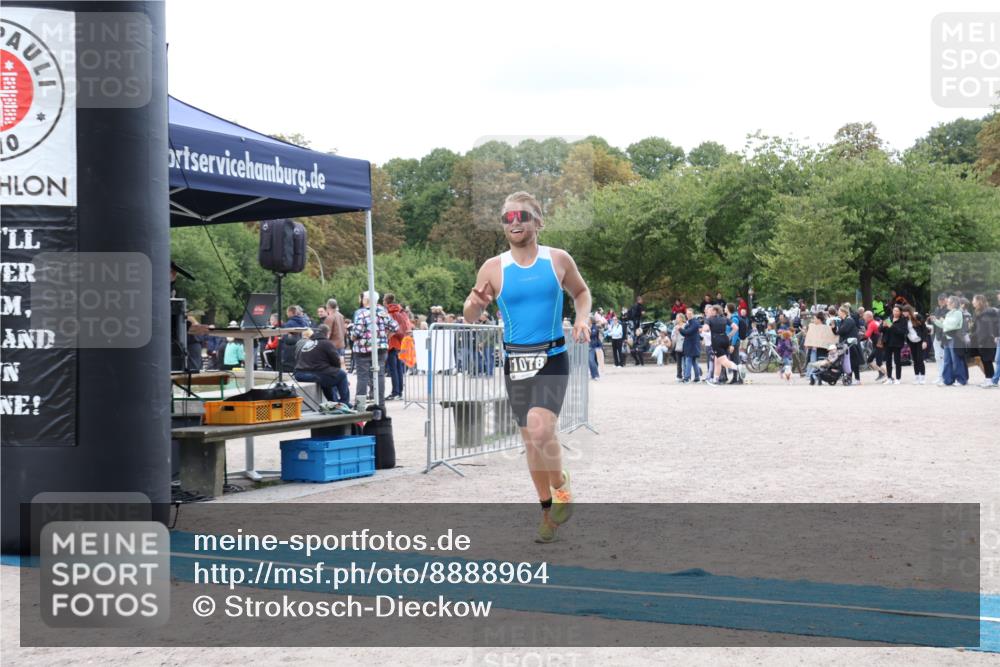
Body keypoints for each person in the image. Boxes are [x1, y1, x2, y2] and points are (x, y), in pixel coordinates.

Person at [463, 191, 591, 544]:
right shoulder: (493, 267)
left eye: (522, 216)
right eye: (507, 217)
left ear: (538, 221)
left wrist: (582, 319)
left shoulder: (557, 260)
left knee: (539, 430)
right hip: (514, 361)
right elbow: (471, 315)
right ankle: (548, 514)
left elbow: (581, 293)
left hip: (551, 356)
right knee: (532, 444)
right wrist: (475, 304)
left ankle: (562, 486)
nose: (514, 222)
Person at [352, 290, 399, 403]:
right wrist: (386, 337)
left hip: (363, 350)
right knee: (380, 375)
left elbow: (357, 332)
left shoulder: (362, 313)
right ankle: (380, 402)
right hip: (381, 349)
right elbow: (395, 327)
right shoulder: (383, 313)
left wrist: (352, 337)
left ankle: (360, 405)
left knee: (362, 376)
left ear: (366, 300)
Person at [293, 324, 350, 404]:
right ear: (328, 333)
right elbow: (336, 361)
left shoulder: (308, 342)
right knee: (341, 375)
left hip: (299, 374)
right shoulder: (326, 343)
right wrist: (335, 370)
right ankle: (345, 403)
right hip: (312, 373)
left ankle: (333, 402)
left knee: (327, 377)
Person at [930, 296, 968, 386]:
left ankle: (961, 380)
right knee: (947, 360)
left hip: (955, 338)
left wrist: (945, 324)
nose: (947, 303)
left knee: (956, 360)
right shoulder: (949, 313)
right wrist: (935, 321)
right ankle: (947, 380)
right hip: (947, 338)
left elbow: (953, 325)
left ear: (953, 303)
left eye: (949, 302)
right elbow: (944, 325)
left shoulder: (958, 313)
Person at [383, 293, 413, 400]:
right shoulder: (401, 312)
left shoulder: (390, 313)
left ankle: (395, 392)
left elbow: (391, 327)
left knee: (393, 369)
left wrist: (387, 335)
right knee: (399, 368)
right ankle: (400, 391)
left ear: (386, 301)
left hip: (393, 343)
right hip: (401, 343)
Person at [704, 305, 742, 386]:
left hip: (716, 341)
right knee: (717, 361)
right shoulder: (725, 318)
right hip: (725, 340)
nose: (709, 312)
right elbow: (736, 327)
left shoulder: (709, 319)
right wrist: (729, 336)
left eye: (711, 310)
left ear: (715, 311)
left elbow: (706, 329)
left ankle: (738, 368)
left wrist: (704, 328)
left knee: (723, 361)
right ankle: (715, 379)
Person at [971, 294, 999, 383]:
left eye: (974, 300)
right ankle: (988, 379)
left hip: (986, 341)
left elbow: (985, 329)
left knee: (987, 360)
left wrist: (981, 340)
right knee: (985, 360)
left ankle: (990, 380)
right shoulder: (980, 312)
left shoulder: (986, 313)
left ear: (979, 301)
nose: (972, 302)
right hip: (982, 340)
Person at [880, 305, 908, 385]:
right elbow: (880, 329)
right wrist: (883, 326)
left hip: (897, 343)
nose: (895, 312)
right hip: (887, 342)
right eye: (894, 310)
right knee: (888, 361)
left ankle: (898, 378)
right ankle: (889, 378)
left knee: (897, 361)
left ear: (900, 312)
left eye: (897, 311)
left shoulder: (903, 320)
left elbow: (902, 332)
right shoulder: (889, 318)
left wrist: (892, 326)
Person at [903, 306, 929, 384]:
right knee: (915, 360)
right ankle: (917, 377)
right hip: (911, 341)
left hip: (920, 340)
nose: (903, 313)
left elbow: (924, 329)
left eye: (905, 312)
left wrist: (925, 341)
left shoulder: (918, 316)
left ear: (909, 311)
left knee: (920, 359)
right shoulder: (904, 319)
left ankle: (923, 377)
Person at [680, 310, 703, 383]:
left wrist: (680, 329)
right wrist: (682, 330)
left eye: (690, 313)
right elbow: (685, 333)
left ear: (693, 314)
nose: (688, 315)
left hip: (693, 345)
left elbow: (688, 332)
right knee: (693, 361)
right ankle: (697, 377)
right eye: (687, 314)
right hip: (691, 345)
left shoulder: (694, 322)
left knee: (689, 360)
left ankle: (687, 378)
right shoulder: (689, 323)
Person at [930, 293, 949, 384]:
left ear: (946, 300)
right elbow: (935, 320)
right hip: (937, 335)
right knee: (937, 356)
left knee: (944, 357)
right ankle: (940, 376)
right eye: (940, 300)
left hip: (945, 336)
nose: (941, 301)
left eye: (943, 300)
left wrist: (936, 318)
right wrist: (932, 318)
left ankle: (945, 376)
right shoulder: (937, 309)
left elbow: (944, 321)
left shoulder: (948, 309)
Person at [671, 313, 686, 381]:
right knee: (679, 363)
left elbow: (687, 334)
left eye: (677, 317)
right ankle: (679, 376)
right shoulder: (675, 327)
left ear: (681, 318)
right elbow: (672, 337)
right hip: (678, 346)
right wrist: (675, 334)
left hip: (685, 345)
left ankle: (686, 375)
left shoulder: (686, 325)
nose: (676, 319)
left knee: (686, 362)